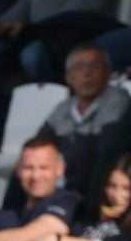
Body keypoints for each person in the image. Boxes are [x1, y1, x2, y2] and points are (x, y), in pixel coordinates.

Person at [35, 45, 131, 201]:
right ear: (68, 77)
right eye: (79, 67)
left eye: (95, 66)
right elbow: (39, 147)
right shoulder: (62, 109)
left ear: (108, 73)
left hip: (102, 196)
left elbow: (106, 153)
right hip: (66, 193)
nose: (87, 73)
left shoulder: (119, 102)